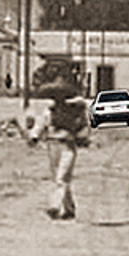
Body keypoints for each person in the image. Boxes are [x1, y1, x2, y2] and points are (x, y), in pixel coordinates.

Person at [24, 81, 89, 220]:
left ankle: (54, 206)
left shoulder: (75, 112)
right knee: (59, 178)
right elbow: (40, 124)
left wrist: (82, 137)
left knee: (62, 177)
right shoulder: (50, 111)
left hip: (67, 145)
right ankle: (69, 208)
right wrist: (34, 136)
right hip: (52, 145)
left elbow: (83, 128)